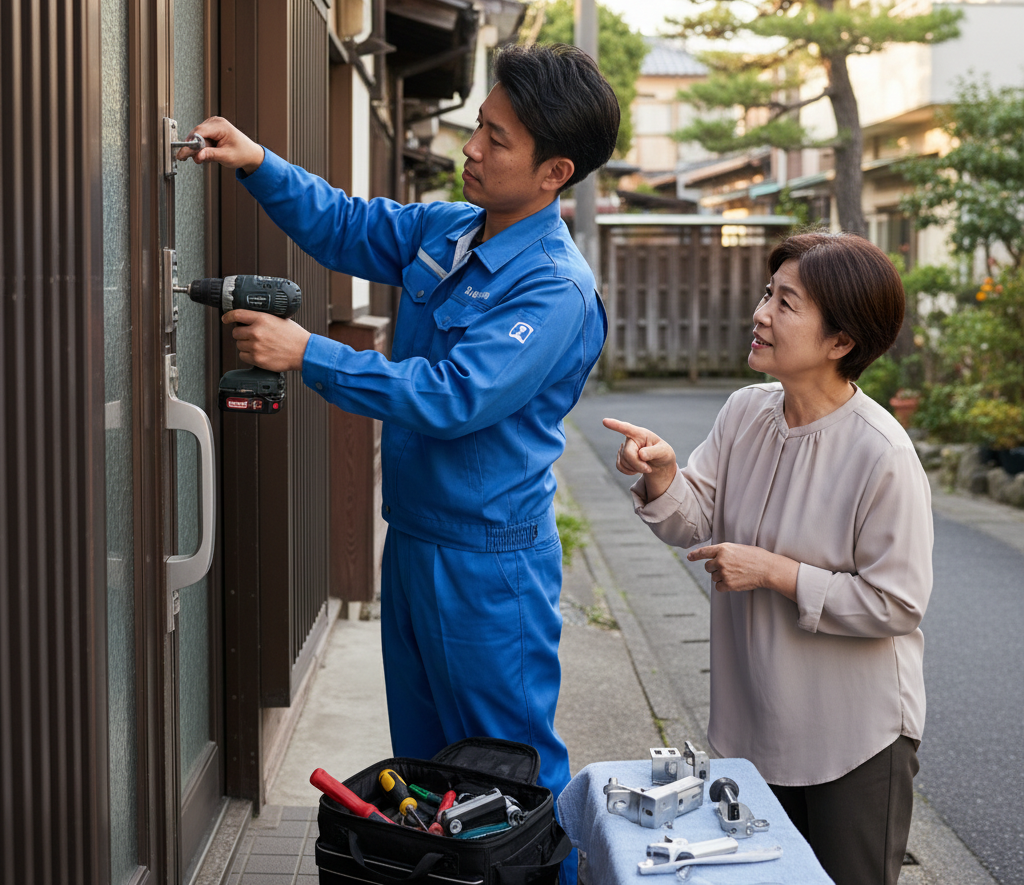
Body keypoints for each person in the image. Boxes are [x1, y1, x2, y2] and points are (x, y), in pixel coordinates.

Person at [181, 43, 618, 882]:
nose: (474, 150)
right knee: (427, 784)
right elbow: (348, 225)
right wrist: (258, 162)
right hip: (415, 541)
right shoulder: (450, 228)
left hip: (490, 569)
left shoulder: (553, 291)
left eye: (497, 139)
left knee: (511, 782)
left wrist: (307, 353)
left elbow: (453, 395)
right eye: (478, 128)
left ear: (554, 171)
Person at [604, 232, 933, 885]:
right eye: (767, 293)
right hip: (754, 719)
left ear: (840, 341)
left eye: (786, 302)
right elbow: (697, 520)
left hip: (855, 737)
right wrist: (667, 475)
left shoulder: (881, 452)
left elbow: (898, 602)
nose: (760, 313)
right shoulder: (746, 412)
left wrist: (776, 573)